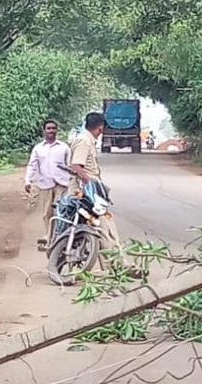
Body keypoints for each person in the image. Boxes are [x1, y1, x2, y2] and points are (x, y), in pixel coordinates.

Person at [69, 112, 132, 271]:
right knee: (103, 228)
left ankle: (116, 264)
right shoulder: (84, 142)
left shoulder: (85, 140)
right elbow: (77, 166)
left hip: (89, 193)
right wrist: (92, 184)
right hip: (86, 195)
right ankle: (117, 265)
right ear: (100, 128)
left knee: (107, 227)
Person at [24, 119, 70, 240]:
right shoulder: (38, 148)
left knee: (62, 210)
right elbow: (32, 165)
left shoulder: (64, 147)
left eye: (53, 128)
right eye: (49, 128)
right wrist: (28, 181)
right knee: (47, 212)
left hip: (62, 184)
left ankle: (61, 236)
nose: (51, 131)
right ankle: (49, 235)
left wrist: (74, 181)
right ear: (44, 131)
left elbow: (70, 165)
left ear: (57, 130)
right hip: (45, 185)